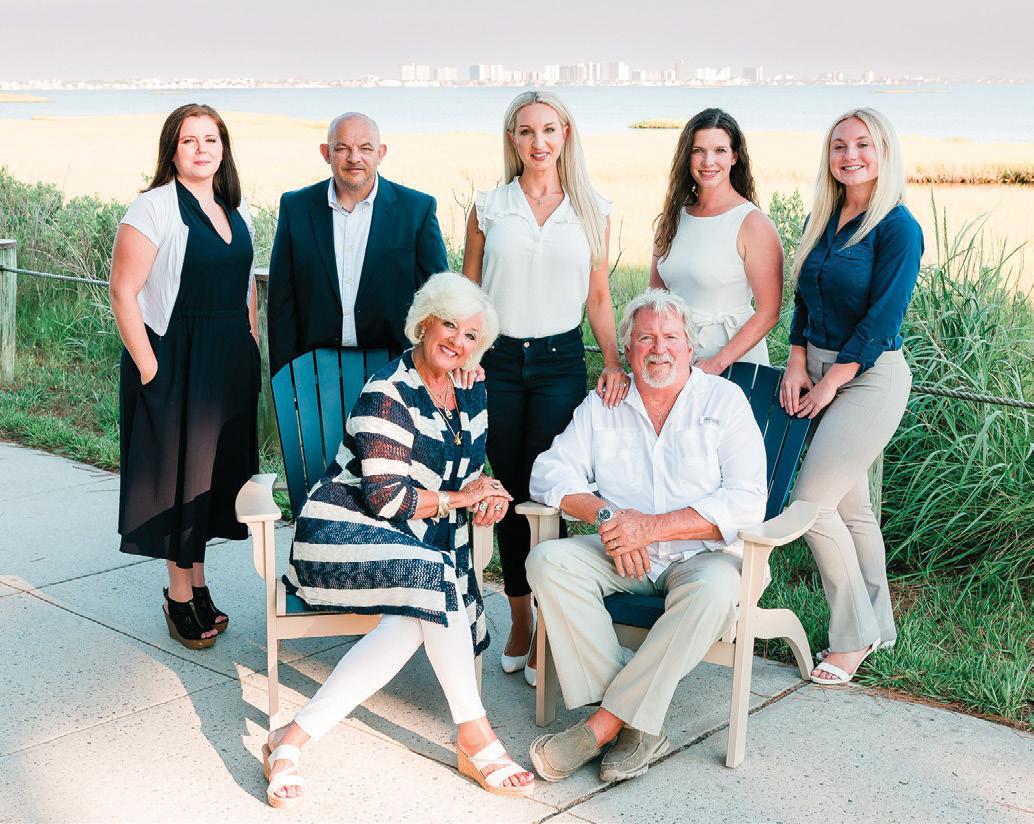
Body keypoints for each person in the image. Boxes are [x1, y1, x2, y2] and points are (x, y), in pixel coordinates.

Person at [262, 272, 535, 807]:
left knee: (419, 601)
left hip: (414, 547)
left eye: (471, 336)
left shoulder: (470, 387)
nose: (458, 341)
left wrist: (488, 494)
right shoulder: (388, 392)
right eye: (449, 325)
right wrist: (460, 499)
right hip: (341, 531)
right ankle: (476, 736)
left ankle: (290, 739)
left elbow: (467, 473)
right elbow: (387, 498)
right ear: (425, 322)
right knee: (433, 580)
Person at [524, 289, 767, 784]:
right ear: (628, 350)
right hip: (622, 554)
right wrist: (609, 517)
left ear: (691, 347)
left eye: (671, 337)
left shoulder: (723, 402)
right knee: (548, 562)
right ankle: (638, 725)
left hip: (703, 557)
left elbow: (747, 501)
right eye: (645, 338)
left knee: (717, 590)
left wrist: (650, 528)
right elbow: (548, 473)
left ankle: (603, 726)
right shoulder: (605, 404)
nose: (659, 348)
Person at [462, 90, 629, 686]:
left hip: (561, 362)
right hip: (499, 364)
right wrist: (466, 357)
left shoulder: (592, 209)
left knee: (551, 490)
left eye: (549, 130)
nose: (539, 142)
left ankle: (552, 626)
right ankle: (520, 619)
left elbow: (599, 297)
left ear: (565, 136)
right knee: (508, 492)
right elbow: (470, 295)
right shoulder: (488, 207)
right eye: (527, 131)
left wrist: (614, 361)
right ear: (513, 138)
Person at [779, 108, 923, 685]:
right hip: (816, 370)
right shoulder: (824, 216)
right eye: (839, 145)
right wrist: (797, 361)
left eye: (863, 144)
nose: (850, 155)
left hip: (868, 378)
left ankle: (852, 637)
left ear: (883, 151)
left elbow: (883, 320)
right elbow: (805, 299)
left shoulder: (898, 228)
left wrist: (831, 380)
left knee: (811, 508)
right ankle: (879, 627)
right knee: (851, 510)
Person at [109, 104, 259, 649]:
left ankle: (197, 584)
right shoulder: (152, 208)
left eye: (211, 139)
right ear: (172, 150)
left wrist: (251, 343)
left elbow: (247, 285)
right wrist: (152, 369)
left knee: (209, 481)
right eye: (190, 140)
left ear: (223, 149)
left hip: (227, 367)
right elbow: (122, 291)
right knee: (178, 479)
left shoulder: (234, 210)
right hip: (177, 362)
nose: (201, 149)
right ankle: (178, 597)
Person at [267, 112, 449, 376]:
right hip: (316, 369)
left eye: (365, 148)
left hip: (396, 368)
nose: (354, 158)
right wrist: (286, 378)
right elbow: (281, 306)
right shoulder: (296, 208)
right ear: (326, 153)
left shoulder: (417, 210)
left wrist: (436, 372)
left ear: (381, 153)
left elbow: (438, 296)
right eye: (342, 148)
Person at [649, 108, 783, 373]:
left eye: (720, 150)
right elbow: (655, 296)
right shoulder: (672, 218)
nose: (708, 161)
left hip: (734, 362)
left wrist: (717, 363)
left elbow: (769, 312)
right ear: (686, 156)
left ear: (734, 156)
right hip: (678, 359)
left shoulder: (752, 223)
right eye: (698, 150)